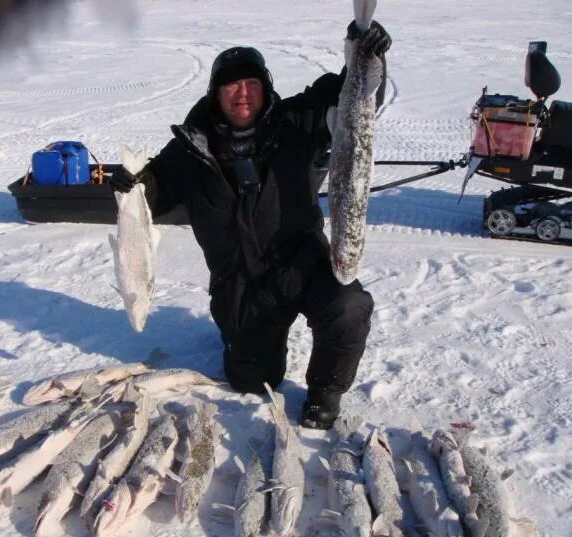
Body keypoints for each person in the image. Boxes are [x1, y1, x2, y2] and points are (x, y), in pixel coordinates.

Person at [110, 22, 392, 429]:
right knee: (252, 380)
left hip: (301, 263)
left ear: (266, 87)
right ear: (215, 92)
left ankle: (325, 391)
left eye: (251, 82)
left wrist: (368, 55)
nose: (242, 92)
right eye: (230, 85)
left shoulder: (298, 120)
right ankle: (243, 340)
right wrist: (132, 186)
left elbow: (355, 97)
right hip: (240, 281)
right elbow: (153, 193)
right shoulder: (191, 148)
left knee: (348, 305)